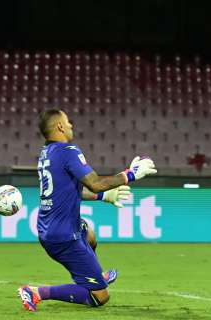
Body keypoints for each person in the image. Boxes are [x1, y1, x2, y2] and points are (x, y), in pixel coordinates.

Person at [18, 109, 157, 311]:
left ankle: (95, 275)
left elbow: (67, 190)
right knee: (100, 297)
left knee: (89, 234)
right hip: (64, 237)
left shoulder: (46, 154)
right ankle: (37, 292)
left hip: (52, 228)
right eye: (68, 121)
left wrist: (103, 197)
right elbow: (95, 183)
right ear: (59, 126)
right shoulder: (68, 151)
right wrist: (131, 174)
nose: (71, 125)